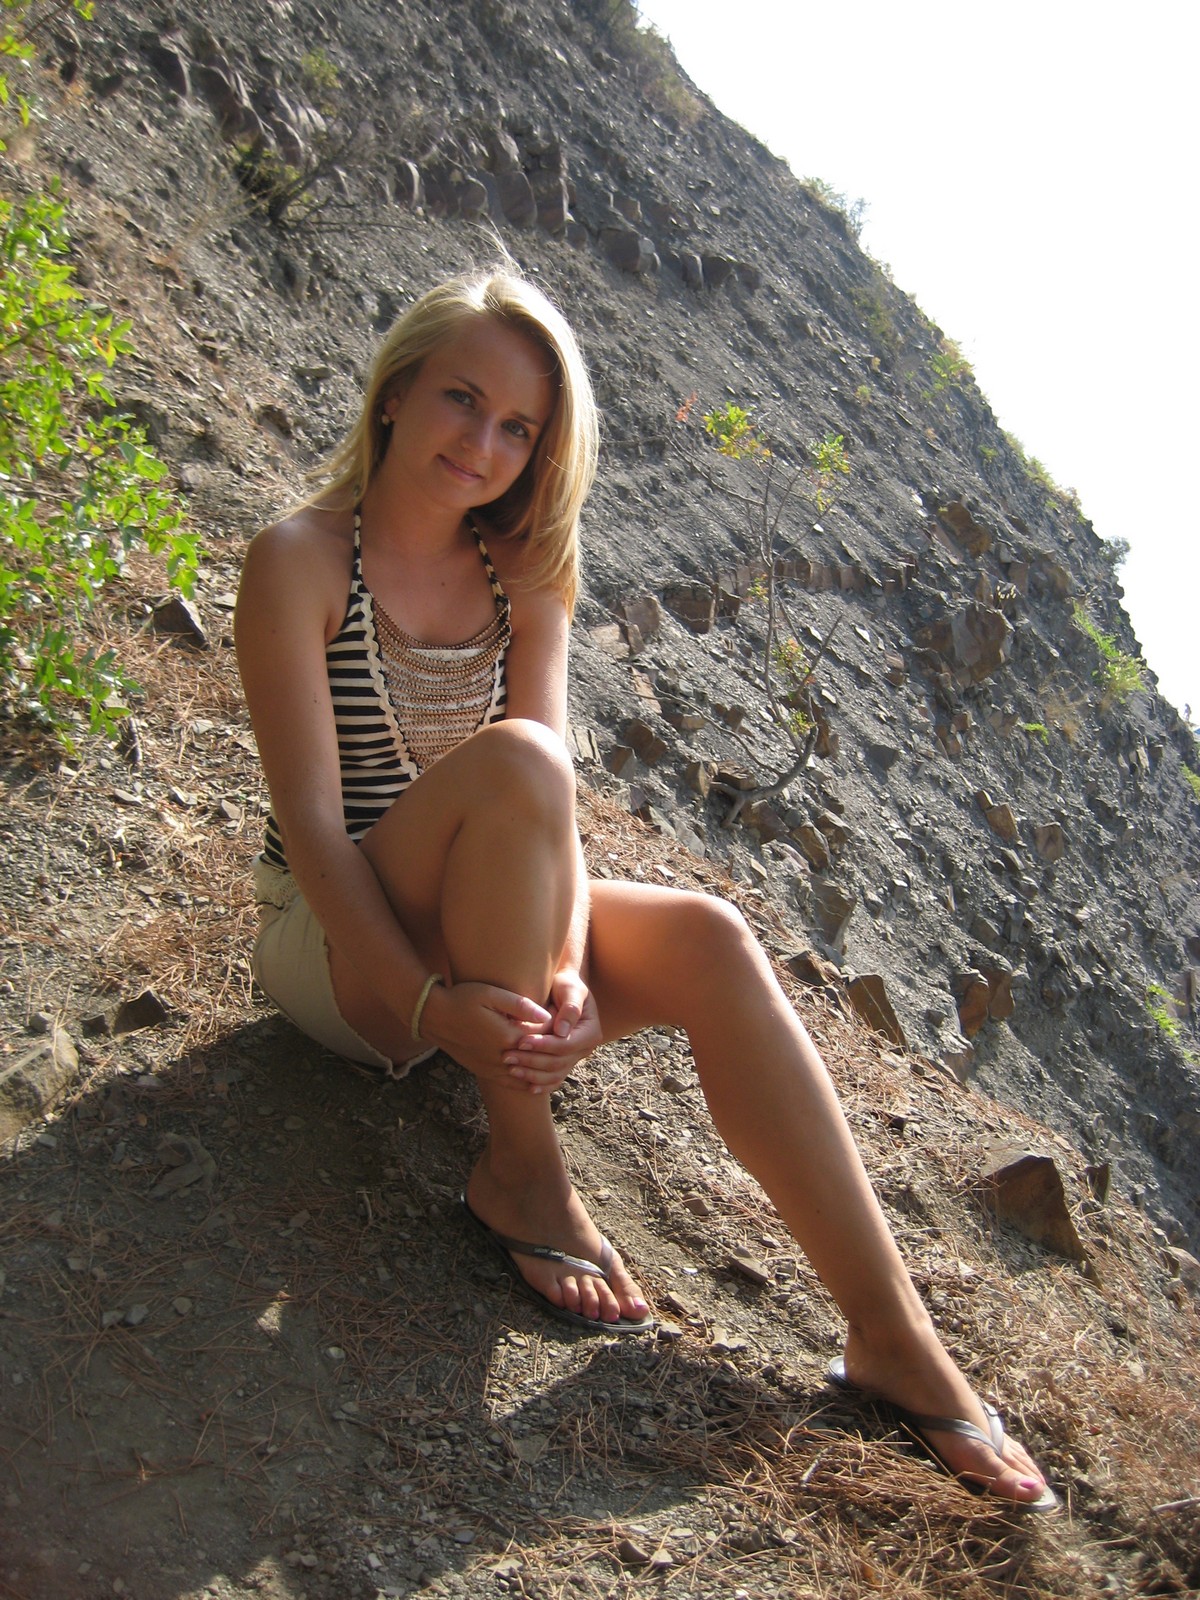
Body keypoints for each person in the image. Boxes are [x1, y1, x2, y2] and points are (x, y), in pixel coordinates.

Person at [234, 266, 1057, 1512]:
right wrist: (425, 1006)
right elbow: (312, 835)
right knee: (518, 760)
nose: (485, 442)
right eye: (462, 398)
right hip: (336, 952)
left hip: (472, 951)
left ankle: (893, 1334)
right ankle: (521, 1168)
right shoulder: (298, 560)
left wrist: (564, 968)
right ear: (396, 391)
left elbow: (546, 820)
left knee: (710, 935)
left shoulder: (523, 577)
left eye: (520, 427)